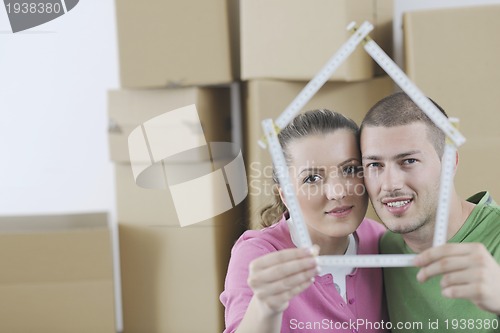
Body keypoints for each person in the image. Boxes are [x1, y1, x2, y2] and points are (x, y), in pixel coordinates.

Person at [220, 109, 389, 333]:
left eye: (349, 169)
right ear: (285, 196)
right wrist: (265, 307)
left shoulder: (378, 239)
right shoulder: (258, 254)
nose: (337, 192)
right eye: (312, 179)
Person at [359, 92, 500, 333]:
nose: (390, 184)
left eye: (409, 161)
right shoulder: (381, 250)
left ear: (451, 162)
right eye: (375, 165)